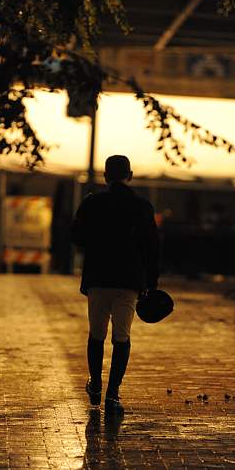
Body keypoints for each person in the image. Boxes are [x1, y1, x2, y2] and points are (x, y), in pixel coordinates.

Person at [71, 155, 159, 413]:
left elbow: (76, 236)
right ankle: (113, 395)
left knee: (96, 334)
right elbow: (152, 247)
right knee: (122, 337)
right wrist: (151, 282)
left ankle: (95, 384)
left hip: (98, 277)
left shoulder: (92, 203)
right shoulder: (142, 206)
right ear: (129, 175)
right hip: (129, 280)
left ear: (105, 176)